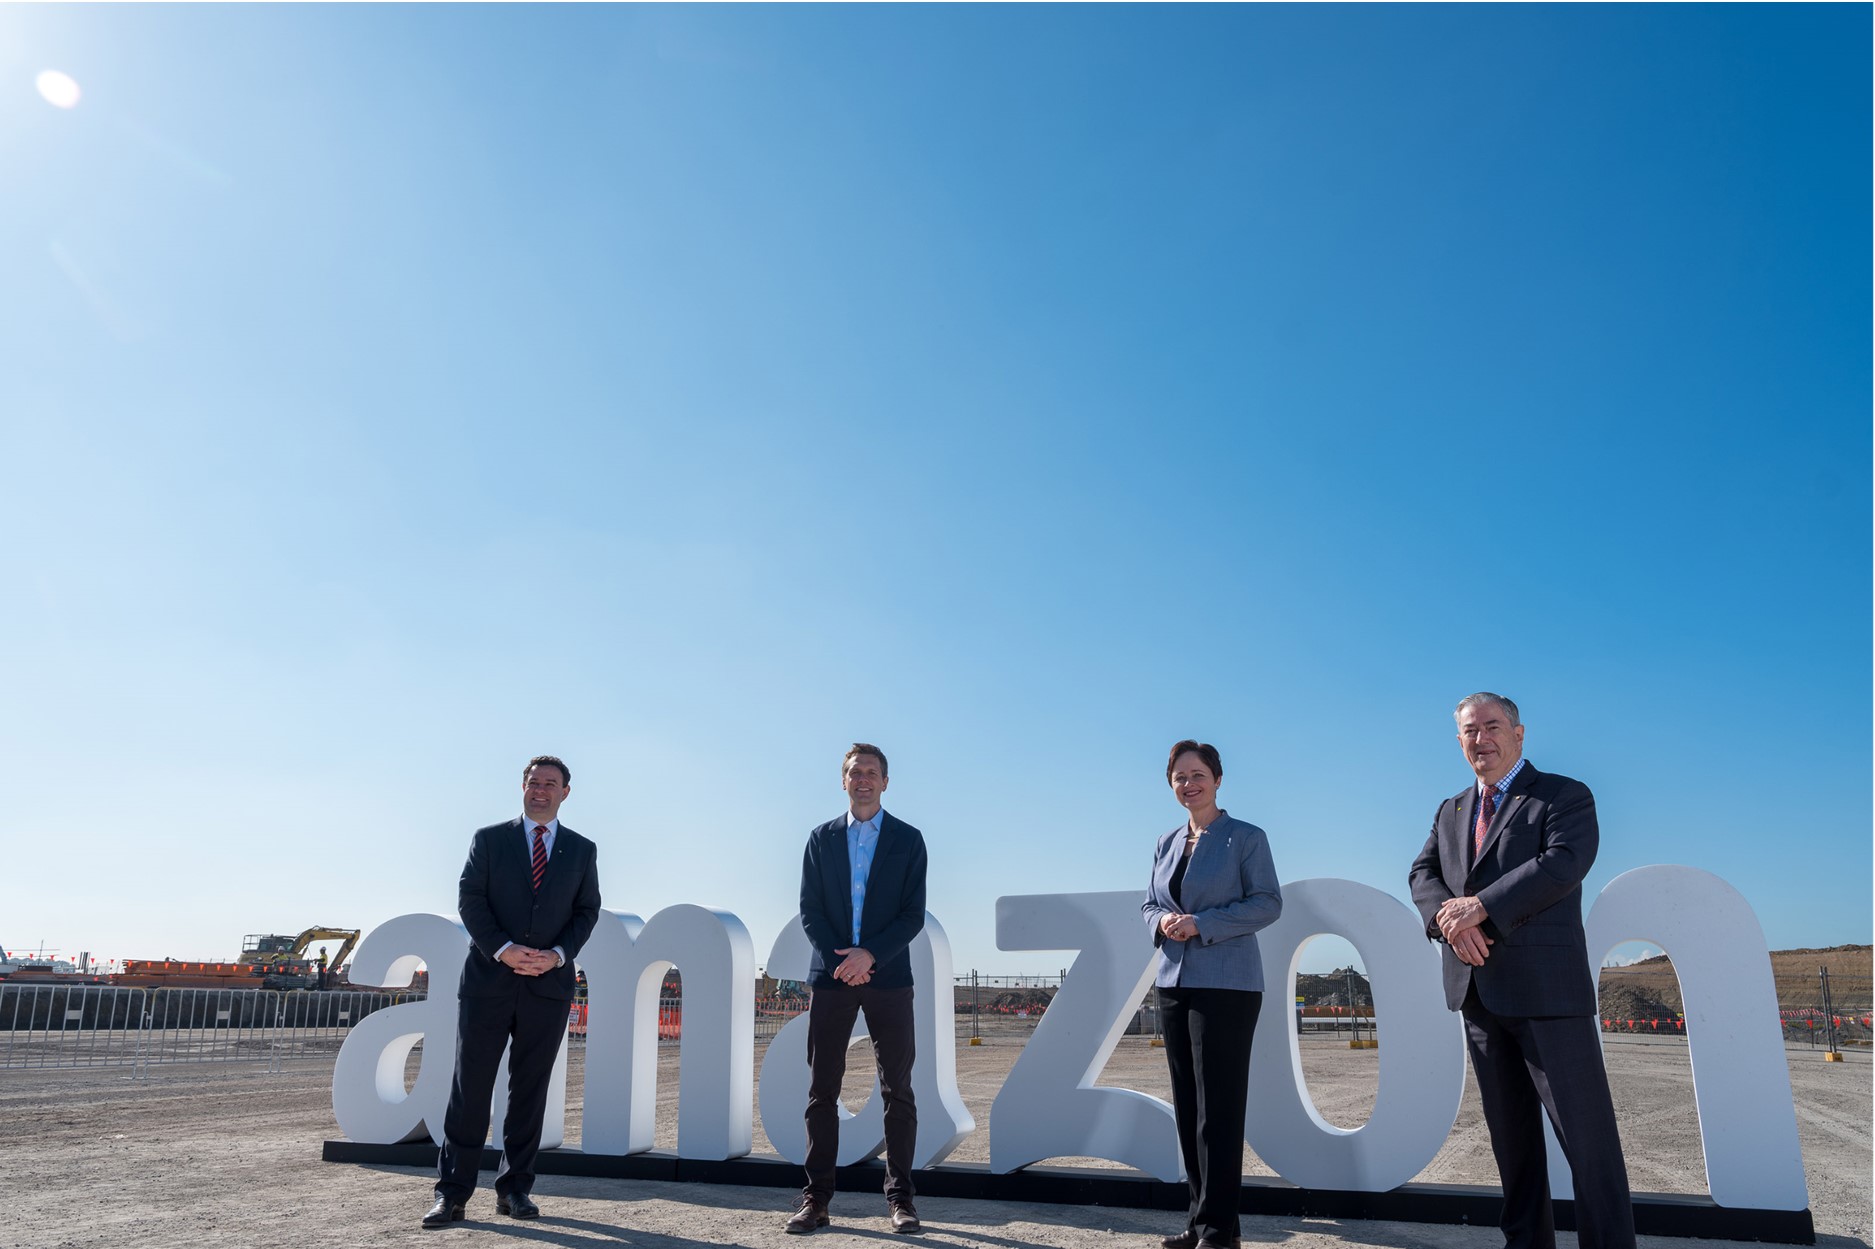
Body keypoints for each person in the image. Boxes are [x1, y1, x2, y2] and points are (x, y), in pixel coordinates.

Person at [1408, 693, 1635, 1249]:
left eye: (1491, 726)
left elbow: (1562, 863)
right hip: (1479, 996)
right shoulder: (1452, 809)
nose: (1480, 738)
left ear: (1519, 733)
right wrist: (1451, 920)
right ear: (1458, 741)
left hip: (1548, 997)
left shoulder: (1563, 795)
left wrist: (1480, 907)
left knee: (1588, 1145)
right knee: (1512, 1146)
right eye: (1469, 731)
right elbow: (1422, 872)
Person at [425, 755, 602, 1228]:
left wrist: (557, 955)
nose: (540, 790)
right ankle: (453, 1193)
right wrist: (502, 949)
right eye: (533, 782)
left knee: (529, 1091)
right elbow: (470, 897)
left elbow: (586, 912)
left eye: (550, 784)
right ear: (521, 787)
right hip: (489, 982)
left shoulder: (583, 851)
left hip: (548, 986)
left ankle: (515, 1190)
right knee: (471, 1089)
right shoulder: (489, 840)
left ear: (566, 792)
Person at [1141, 739, 1282, 1249]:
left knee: (1218, 1111)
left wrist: (1200, 924)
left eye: (1198, 774)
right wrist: (1165, 922)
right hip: (1174, 983)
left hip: (1228, 984)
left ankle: (1220, 1232)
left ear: (1217, 779)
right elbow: (1149, 906)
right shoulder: (1165, 842)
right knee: (1188, 1108)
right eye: (1179, 777)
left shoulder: (1245, 837)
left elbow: (1267, 903)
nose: (1189, 784)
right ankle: (1201, 1222)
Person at [785, 743, 929, 1236]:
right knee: (822, 1089)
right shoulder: (820, 839)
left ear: (885, 782)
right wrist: (840, 961)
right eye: (854, 772)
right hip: (832, 977)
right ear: (842, 780)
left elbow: (912, 914)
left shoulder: (909, 840)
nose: (862, 779)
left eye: (871, 773)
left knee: (898, 1090)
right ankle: (816, 1199)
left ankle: (901, 1200)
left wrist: (870, 956)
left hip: (889, 977)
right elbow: (811, 910)